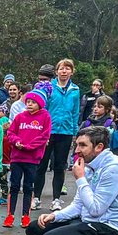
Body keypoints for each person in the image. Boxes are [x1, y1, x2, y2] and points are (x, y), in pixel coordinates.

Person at [32, 58, 80, 211]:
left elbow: (75, 112)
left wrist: (74, 132)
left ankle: (56, 199)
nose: (64, 71)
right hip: (47, 131)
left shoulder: (75, 90)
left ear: (72, 71)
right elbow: (41, 108)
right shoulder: (48, 87)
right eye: (61, 68)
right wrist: (39, 128)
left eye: (67, 68)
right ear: (56, 71)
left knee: (60, 166)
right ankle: (36, 197)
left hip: (65, 132)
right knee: (41, 165)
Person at [5, 90, 51, 226]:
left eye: (33, 102)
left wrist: (30, 146)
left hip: (32, 158)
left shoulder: (45, 117)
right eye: (28, 102)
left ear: (40, 104)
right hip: (17, 157)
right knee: (14, 186)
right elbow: (10, 132)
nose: (30, 104)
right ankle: (10, 215)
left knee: (28, 187)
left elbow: (44, 136)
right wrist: (17, 141)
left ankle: (25, 215)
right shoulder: (20, 117)